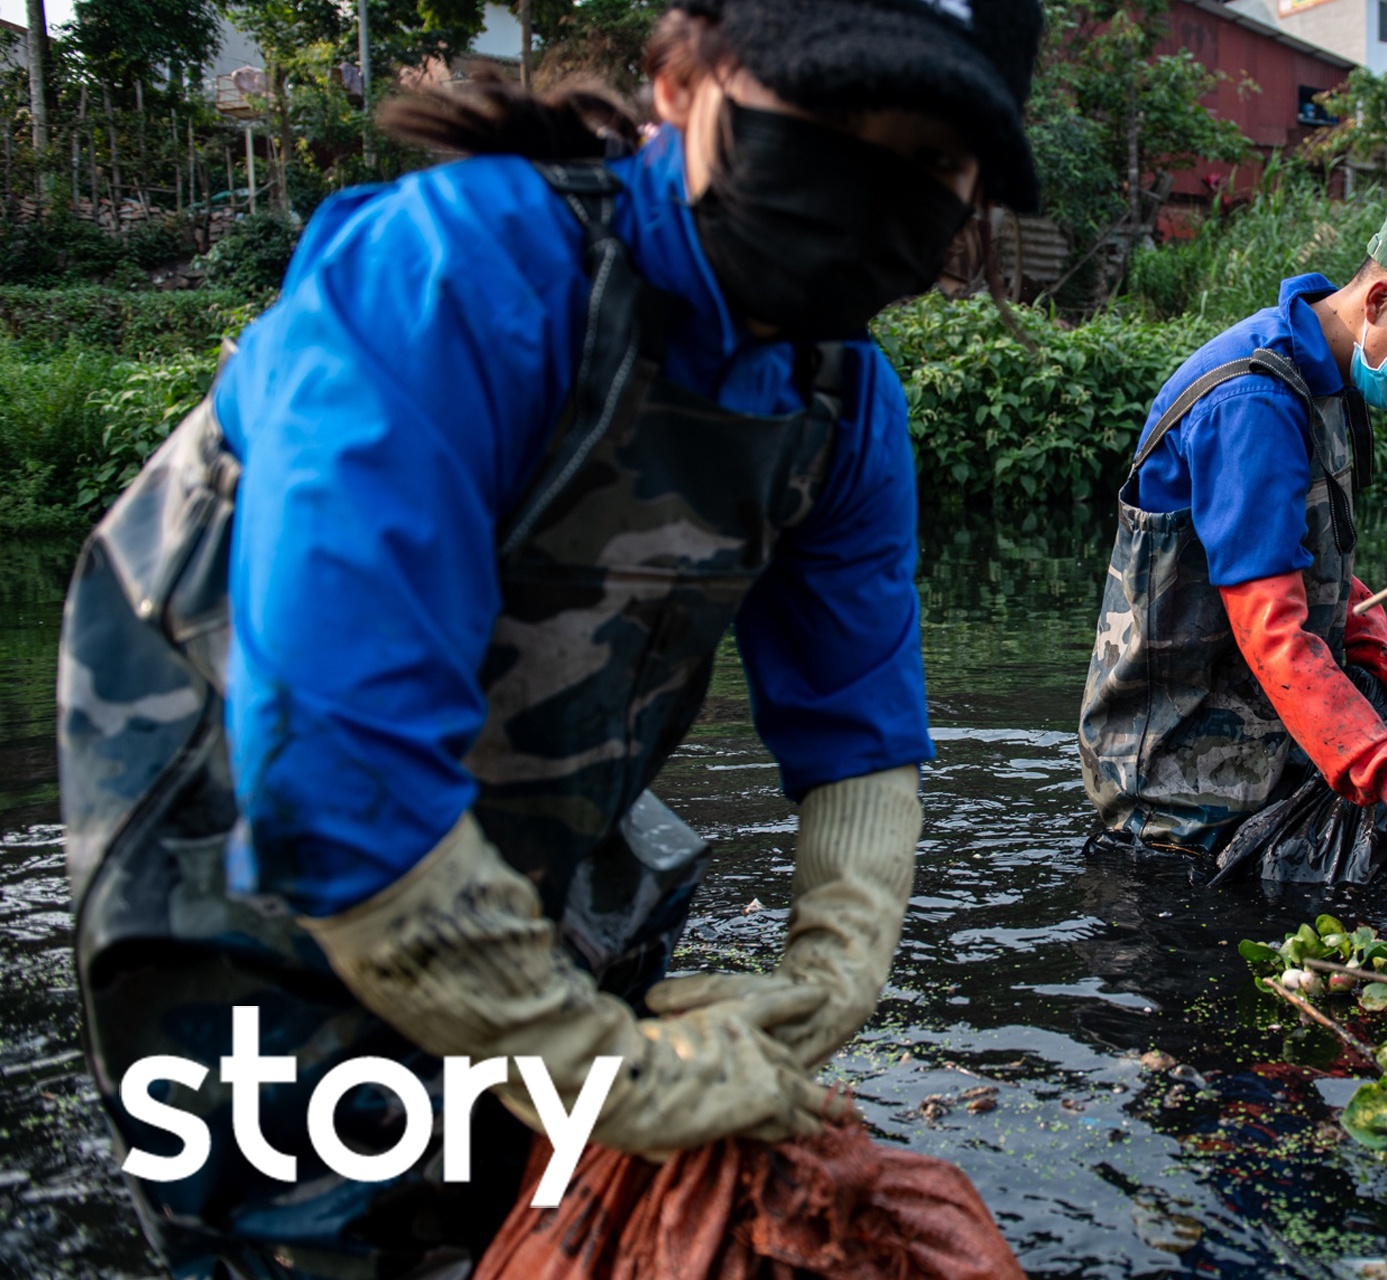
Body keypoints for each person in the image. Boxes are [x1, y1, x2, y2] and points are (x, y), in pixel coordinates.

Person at [56, 1, 1042, 1275]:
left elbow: (856, 717)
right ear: (682, 77)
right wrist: (600, 1067)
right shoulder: (457, 274)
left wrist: (834, 965)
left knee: (517, 1197)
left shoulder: (842, 407)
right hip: (242, 799)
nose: (868, 186)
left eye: (927, 163)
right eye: (833, 120)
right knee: (308, 1210)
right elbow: (336, 770)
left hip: (534, 791)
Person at [1079, 203, 1387, 874]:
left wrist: (1361, 618)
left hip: (1259, 721)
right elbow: (1270, 630)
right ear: (1380, 299)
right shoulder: (1254, 402)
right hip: (1182, 778)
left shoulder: (1318, 375)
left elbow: (1284, 550)